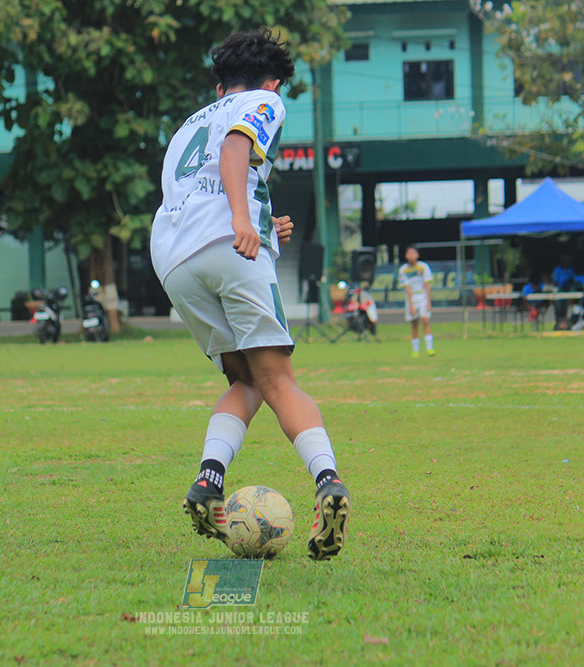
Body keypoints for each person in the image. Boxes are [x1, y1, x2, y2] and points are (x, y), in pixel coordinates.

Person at [150, 29, 350, 561]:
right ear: (272, 82)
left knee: (246, 379)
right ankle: (328, 482)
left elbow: (200, 190)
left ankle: (209, 478)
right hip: (227, 247)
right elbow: (236, 148)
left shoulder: (188, 125)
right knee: (278, 379)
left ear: (220, 87)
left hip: (173, 259)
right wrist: (242, 219)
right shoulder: (264, 100)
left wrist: (262, 224)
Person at [398, 246, 434, 357]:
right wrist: (411, 305)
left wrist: (428, 301)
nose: (411, 255)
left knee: (425, 320)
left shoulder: (423, 267)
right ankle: (415, 350)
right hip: (412, 298)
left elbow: (427, 284)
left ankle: (429, 348)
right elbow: (407, 288)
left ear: (417, 255)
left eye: (413, 253)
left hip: (422, 296)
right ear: (406, 256)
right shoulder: (404, 270)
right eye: (409, 253)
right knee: (414, 323)